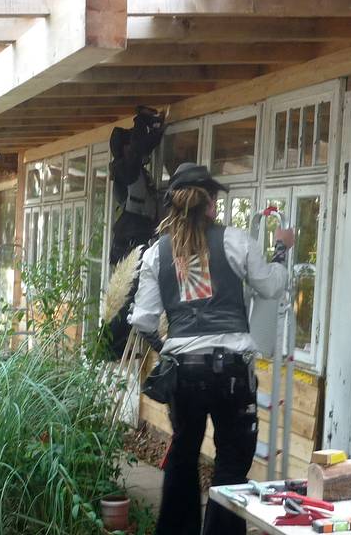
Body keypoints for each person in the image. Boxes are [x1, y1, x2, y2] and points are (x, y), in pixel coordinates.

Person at [129, 162, 294, 535]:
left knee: (183, 455)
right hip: (231, 371)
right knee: (232, 464)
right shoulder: (235, 241)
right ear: (210, 204)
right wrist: (282, 250)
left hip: (182, 373)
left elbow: (142, 320)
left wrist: (169, 347)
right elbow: (269, 287)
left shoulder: (157, 253)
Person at [106, 105, 165, 358]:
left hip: (134, 238)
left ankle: (118, 348)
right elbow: (138, 150)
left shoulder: (136, 171)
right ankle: (116, 350)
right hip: (128, 242)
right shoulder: (123, 168)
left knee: (131, 295)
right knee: (125, 297)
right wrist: (145, 122)